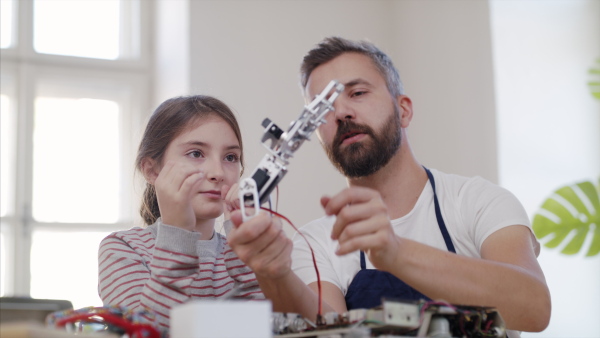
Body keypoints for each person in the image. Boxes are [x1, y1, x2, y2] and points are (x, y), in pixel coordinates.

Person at [227, 37, 551, 336]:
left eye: (357, 93)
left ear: (404, 109)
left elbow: (534, 308)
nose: (341, 112)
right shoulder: (314, 244)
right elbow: (326, 332)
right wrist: (274, 273)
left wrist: (395, 253)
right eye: (324, 108)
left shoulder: (478, 202)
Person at [98, 95, 264, 331]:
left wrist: (247, 254)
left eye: (230, 157)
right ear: (152, 170)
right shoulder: (123, 249)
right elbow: (146, 334)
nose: (218, 172)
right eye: (196, 153)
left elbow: (259, 329)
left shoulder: (240, 256)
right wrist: (177, 233)